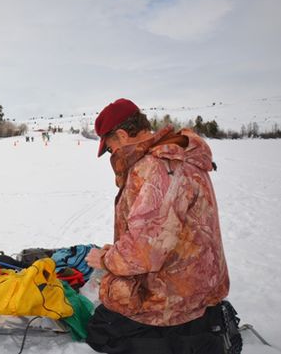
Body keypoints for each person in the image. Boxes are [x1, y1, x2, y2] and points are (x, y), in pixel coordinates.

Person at [85, 98, 239, 354]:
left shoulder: (157, 168)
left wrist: (106, 259)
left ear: (122, 135)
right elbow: (160, 234)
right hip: (196, 285)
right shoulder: (175, 157)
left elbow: (146, 251)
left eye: (110, 148)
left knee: (101, 330)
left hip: (176, 300)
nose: (111, 154)